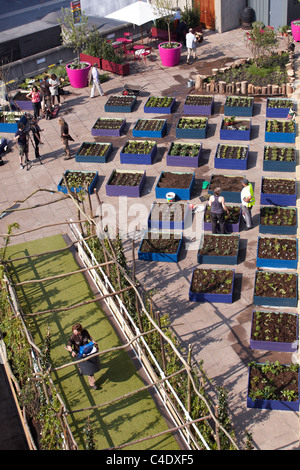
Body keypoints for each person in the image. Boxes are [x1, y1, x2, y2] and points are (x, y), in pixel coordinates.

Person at [66, 323, 100, 390]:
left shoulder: (85, 332)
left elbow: (89, 337)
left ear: (80, 330)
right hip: (79, 353)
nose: (74, 332)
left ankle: (92, 384)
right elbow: (68, 345)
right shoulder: (73, 337)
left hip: (87, 351)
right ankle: (81, 369)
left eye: (76, 331)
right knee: (81, 363)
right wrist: (72, 351)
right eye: (73, 331)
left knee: (89, 368)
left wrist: (93, 341)